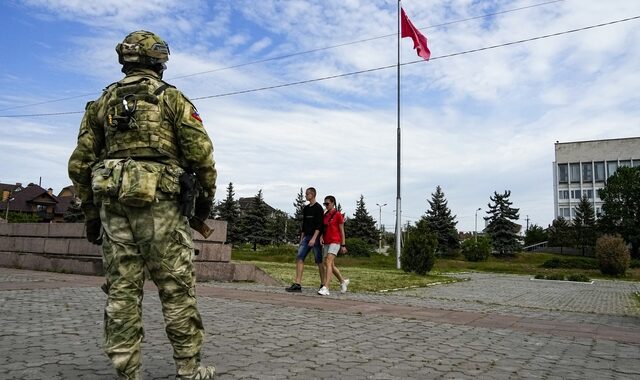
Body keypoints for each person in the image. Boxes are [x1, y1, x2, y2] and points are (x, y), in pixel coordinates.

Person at [68, 30, 217, 380]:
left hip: (112, 205)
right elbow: (203, 158)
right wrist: (202, 206)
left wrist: (92, 215)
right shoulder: (173, 100)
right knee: (176, 289)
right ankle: (189, 370)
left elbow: (79, 165)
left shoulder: (102, 104)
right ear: (159, 62)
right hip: (162, 206)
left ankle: (128, 373)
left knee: (122, 292)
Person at [285, 187, 324, 292]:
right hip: (306, 237)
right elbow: (304, 224)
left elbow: (319, 225)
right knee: (299, 258)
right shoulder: (306, 208)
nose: (305, 196)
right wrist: (302, 238)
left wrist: (314, 238)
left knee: (319, 261)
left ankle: (323, 284)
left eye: (307, 194)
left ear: (313, 195)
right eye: (306, 194)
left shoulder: (319, 208)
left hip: (315, 237)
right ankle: (297, 284)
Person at [318, 196, 349, 296]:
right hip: (327, 241)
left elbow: (342, 231)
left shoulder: (338, 215)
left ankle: (326, 287)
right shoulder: (325, 215)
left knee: (328, 261)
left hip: (335, 241)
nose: (326, 206)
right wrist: (321, 236)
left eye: (327, 204)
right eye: (324, 204)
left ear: (333, 203)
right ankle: (343, 281)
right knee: (329, 264)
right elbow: (324, 228)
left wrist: (343, 245)